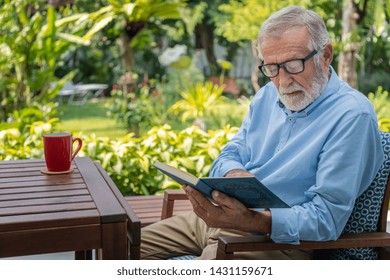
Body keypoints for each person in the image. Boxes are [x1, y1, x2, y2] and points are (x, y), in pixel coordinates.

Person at [140, 6, 384, 260]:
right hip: (223, 217)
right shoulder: (267, 95)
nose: (282, 81)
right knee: (127, 247)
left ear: (326, 55)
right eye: (271, 68)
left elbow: (326, 219)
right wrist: (234, 174)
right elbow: (229, 153)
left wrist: (253, 220)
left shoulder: (352, 116)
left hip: (277, 241)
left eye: (293, 65)